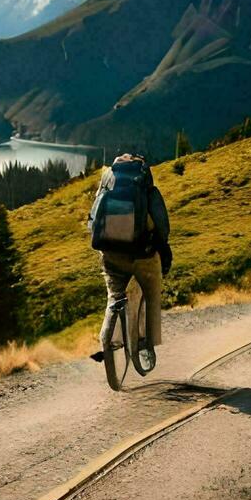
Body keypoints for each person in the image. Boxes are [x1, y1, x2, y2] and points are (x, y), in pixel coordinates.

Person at [88, 153, 172, 387]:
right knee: (152, 294)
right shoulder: (148, 192)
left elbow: (91, 222)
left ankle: (107, 337)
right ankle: (145, 346)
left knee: (113, 296)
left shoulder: (105, 188)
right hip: (142, 255)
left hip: (111, 256)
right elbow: (163, 228)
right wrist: (161, 247)